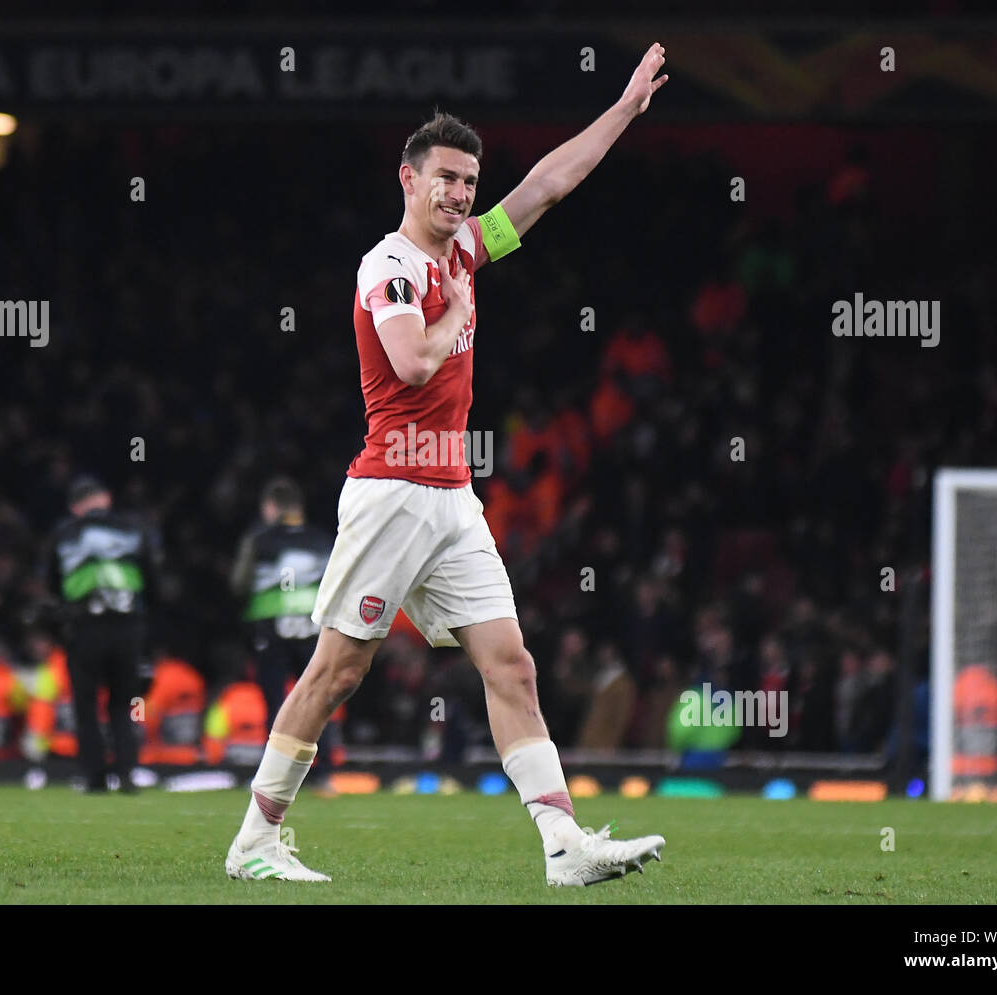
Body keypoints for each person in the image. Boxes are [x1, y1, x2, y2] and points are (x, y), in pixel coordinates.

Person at [225, 42, 671, 886]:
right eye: (448, 180)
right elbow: (412, 364)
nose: (463, 196)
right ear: (408, 178)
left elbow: (544, 186)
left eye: (470, 182)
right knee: (339, 668)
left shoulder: (466, 247)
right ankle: (254, 837)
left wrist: (621, 112)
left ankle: (563, 845)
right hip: (391, 489)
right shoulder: (389, 266)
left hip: (453, 496)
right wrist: (457, 306)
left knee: (512, 664)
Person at [39, 475, 162, 793]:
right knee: (123, 703)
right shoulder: (134, 528)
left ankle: (94, 777)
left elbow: (50, 582)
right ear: (106, 498)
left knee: (85, 703)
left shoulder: (64, 532)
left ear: (75, 507)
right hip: (128, 626)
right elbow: (152, 577)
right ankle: (126, 774)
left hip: (84, 627)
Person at [229, 477, 340, 784]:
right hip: (314, 627)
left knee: (275, 702)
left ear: (270, 506)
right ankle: (325, 773)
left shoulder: (259, 539)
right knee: (319, 698)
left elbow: (239, 582)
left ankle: (275, 776)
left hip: (271, 627)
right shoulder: (321, 539)